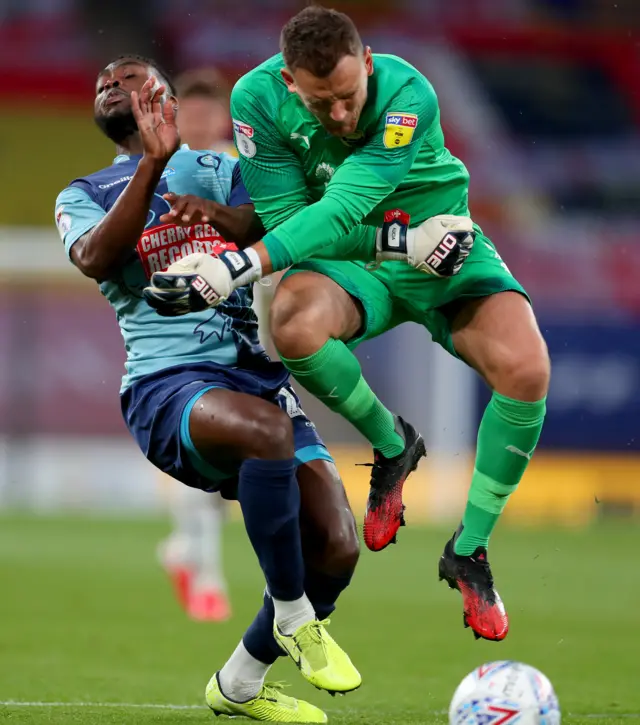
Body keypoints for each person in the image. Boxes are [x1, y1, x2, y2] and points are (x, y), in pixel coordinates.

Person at [144, 6, 551, 643]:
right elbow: (292, 222)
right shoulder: (256, 100)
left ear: (367, 64)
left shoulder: (406, 92)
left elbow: (343, 204)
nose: (340, 116)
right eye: (320, 104)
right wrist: (397, 240)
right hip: (365, 258)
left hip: (443, 251)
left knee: (527, 371)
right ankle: (393, 445)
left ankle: (468, 550)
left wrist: (235, 267)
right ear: (289, 84)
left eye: (348, 97)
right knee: (292, 326)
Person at [54, 54, 361, 722]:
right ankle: (290, 615)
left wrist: (224, 222)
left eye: (127, 77)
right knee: (265, 431)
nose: (109, 81)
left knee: (337, 545)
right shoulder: (82, 194)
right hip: (168, 390)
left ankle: (240, 680)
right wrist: (152, 165)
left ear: (160, 94)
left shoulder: (221, 168)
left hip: (256, 379)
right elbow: (95, 259)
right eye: (102, 79)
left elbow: (278, 222)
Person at [157, 67, 237, 623]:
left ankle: (184, 550)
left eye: (212, 112)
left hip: (245, 329)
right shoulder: (159, 169)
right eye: (192, 112)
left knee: (236, 466)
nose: (203, 122)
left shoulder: (245, 171)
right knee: (204, 455)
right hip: (178, 332)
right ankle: (206, 575)